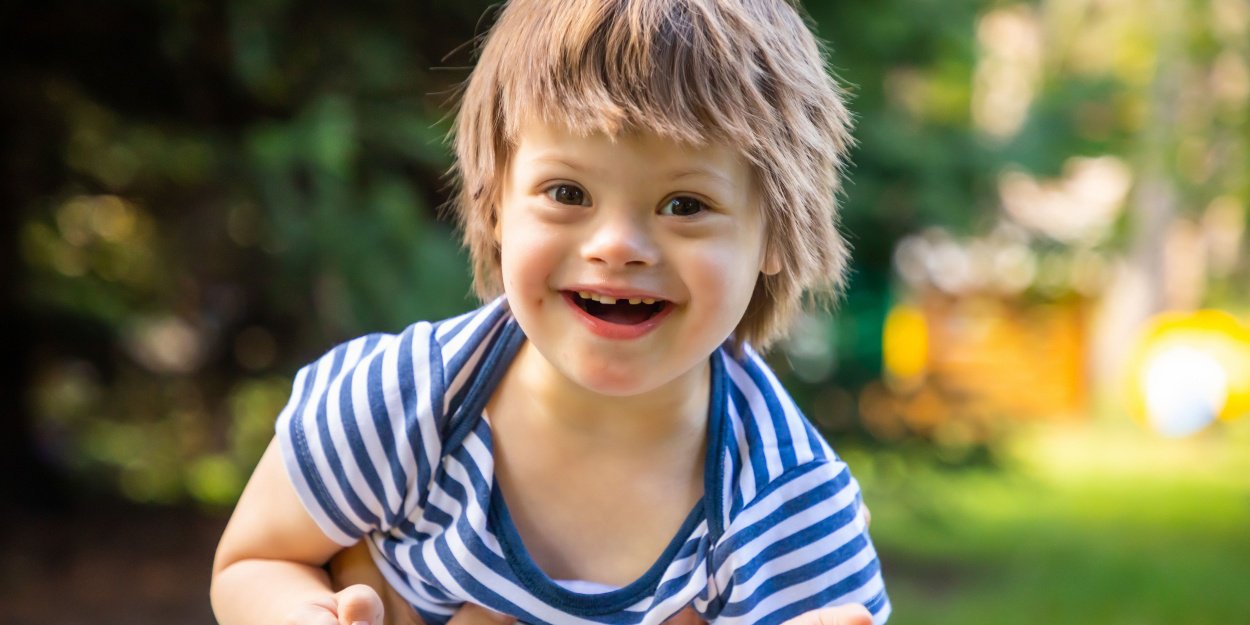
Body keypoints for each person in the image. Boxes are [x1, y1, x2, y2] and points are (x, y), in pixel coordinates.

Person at [210, 1, 891, 624]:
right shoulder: (402, 403)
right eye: (567, 191)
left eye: (684, 204)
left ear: (775, 232)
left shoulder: (786, 504)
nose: (618, 247)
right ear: (492, 201)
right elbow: (254, 559)